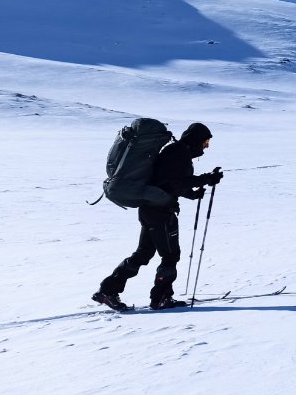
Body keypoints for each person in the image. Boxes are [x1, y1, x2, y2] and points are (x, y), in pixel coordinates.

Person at [92, 123, 223, 311]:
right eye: (205, 141)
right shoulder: (179, 153)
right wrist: (206, 179)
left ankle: (108, 290)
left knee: (144, 254)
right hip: (160, 212)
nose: (205, 146)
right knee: (170, 255)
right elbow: (175, 182)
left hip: (151, 209)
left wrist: (192, 193)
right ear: (195, 139)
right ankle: (160, 298)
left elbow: (166, 182)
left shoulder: (176, 151)